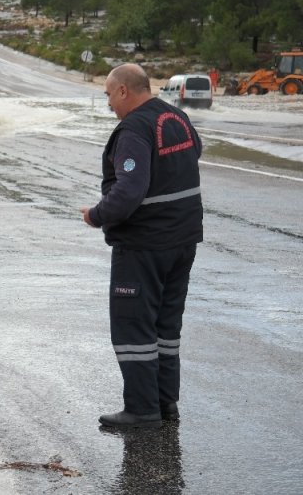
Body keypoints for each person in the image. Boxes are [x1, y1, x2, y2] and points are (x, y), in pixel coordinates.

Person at [81, 63, 203, 429]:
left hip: (144, 245)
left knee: (134, 327)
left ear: (124, 91)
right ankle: (165, 403)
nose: (108, 103)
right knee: (166, 327)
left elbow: (129, 191)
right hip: (183, 241)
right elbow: (194, 153)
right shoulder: (176, 117)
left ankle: (142, 409)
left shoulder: (134, 128)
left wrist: (96, 215)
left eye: (109, 95)